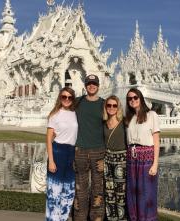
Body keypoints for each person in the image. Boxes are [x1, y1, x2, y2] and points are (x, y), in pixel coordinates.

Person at [125, 88, 160, 221]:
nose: (132, 100)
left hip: (147, 157)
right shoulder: (129, 118)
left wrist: (155, 164)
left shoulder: (151, 115)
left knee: (146, 193)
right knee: (133, 192)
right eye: (129, 98)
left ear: (140, 98)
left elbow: (156, 141)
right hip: (132, 158)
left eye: (135, 97)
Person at [74, 74, 105, 221]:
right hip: (80, 150)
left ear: (98, 85)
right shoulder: (77, 102)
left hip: (99, 151)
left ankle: (96, 217)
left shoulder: (105, 104)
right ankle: (79, 218)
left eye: (94, 83)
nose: (91, 86)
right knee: (80, 187)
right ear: (85, 85)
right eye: (89, 84)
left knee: (98, 188)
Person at [45, 87, 78, 221]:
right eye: (64, 97)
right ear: (60, 98)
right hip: (58, 152)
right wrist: (51, 161)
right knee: (54, 193)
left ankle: (62, 219)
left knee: (68, 194)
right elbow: (48, 139)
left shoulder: (75, 113)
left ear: (72, 99)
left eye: (69, 97)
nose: (67, 99)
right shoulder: (54, 115)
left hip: (71, 154)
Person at [103, 95, 127, 221]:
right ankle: (112, 218)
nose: (111, 108)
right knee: (109, 193)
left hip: (122, 161)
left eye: (114, 105)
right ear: (105, 107)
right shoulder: (103, 123)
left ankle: (122, 218)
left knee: (121, 193)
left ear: (118, 107)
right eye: (109, 105)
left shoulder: (125, 122)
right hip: (107, 161)